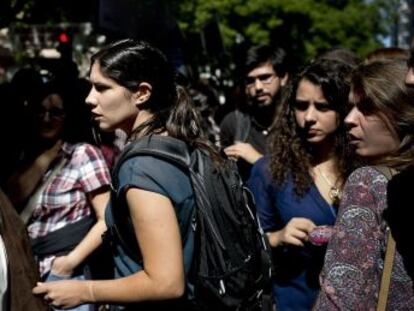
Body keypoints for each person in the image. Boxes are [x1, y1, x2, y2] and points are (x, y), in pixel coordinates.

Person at [32, 39, 222, 310]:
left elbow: (166, 282)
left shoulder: (142, 167)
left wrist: (85, 291)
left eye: (102, 88)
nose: (89, 98)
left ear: (142, 93)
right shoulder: (177, 147)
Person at [247, 59, 356, 310]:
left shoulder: (364, 169)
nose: (308, 117)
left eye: (322, 107)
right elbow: (242, 246)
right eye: (300, 106)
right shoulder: (270, 170)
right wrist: (276, 238)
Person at [314, 59, 414, 309]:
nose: (349, 119)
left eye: (366, 108)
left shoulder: (368, 182)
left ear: (403, 113)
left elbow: (341, 298)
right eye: (350, 108)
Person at [6, 78, 111, 311]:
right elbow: (12, 200)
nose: (46, 119)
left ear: (68, 116)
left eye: (55, 113)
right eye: (40, 111)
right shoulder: (25, 155)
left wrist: (66, 265)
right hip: (24, 271)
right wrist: (45, 158)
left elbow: (107, 219)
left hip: (66, 278)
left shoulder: (83, 154)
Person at [220, 44, 290, 181]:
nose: (258, 87)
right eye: (250, 81)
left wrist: (258, 161)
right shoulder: (234, 124)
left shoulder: (298, 122)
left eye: (265, 78)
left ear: (283, 78)